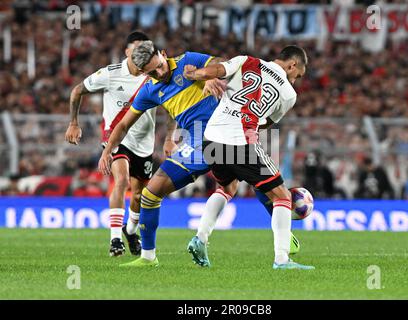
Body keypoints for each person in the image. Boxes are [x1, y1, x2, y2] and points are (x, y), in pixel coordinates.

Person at [98, 41, 300, 268]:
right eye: (151, 72)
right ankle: (150, 256)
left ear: (164, 54)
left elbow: (218, 65)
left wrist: (208, 77)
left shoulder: (188, 60)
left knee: (246, 183)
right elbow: (124, 124)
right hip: (200, 140)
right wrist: (108, 150)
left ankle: (280, 236)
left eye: (159, 66)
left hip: (219, 133)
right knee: (153, 195)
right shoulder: (149, 90)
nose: (159, 73)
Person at [183, 46, 315, 270]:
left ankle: (200, 238)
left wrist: (192, 74)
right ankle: (282, 259)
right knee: (282, 196)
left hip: (211, 138)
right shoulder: (289, 94)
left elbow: (210, 72)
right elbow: (266, 123)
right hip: (241, 142)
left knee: (227, 187)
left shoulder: (246, 61)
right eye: (298, 75)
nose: (295, 80)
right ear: (292, 65)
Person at [65, 31, 171, 257]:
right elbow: (77, 90)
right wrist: (73, 122)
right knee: (121, 181)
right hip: (115, 139)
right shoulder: (110, 74)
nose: (141, 55)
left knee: (139, 195)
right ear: (127, 51)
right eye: (136, 49)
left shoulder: (154, 74)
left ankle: (130, 231)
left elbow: (172, 106)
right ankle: (115, 240)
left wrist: (170, 137)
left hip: (144, 143)